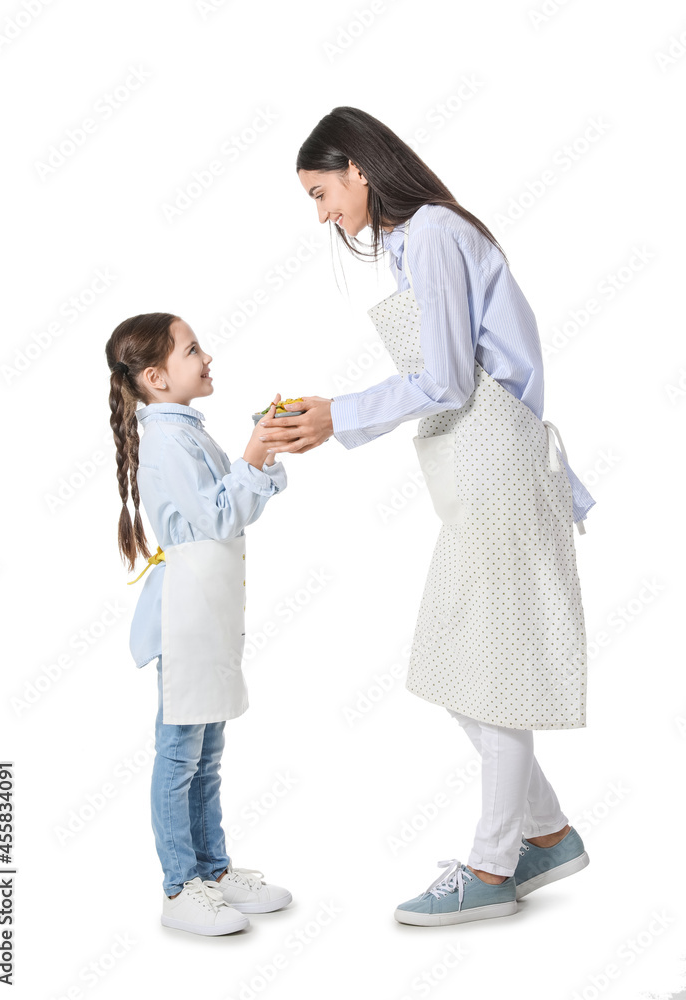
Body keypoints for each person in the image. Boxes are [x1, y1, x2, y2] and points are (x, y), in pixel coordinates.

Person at [258, 106, 594, 926]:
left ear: (358, 171)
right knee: (459, 660)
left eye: (320, 192)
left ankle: (490, 866)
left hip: (499, 464)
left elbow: (444, 379)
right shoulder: (417, 243)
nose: (322, 213)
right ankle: (543, 833)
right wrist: (335, 412)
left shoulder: (435, 233)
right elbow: (449, 378)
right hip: (482, 465)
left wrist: (338, 413)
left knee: (491, 668)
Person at [106, 312, 292, 936]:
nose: (206, 356)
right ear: (157, 377)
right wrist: (254, 453)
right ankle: (179, 886)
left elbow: (236, 505)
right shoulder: (165, 442)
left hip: (210, 614)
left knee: (208, 753)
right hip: (186, 619)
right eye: (192, 350)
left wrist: (259, 448)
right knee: (180, 753)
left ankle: (212, 871)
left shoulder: (188, 432)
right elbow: (217, 518)